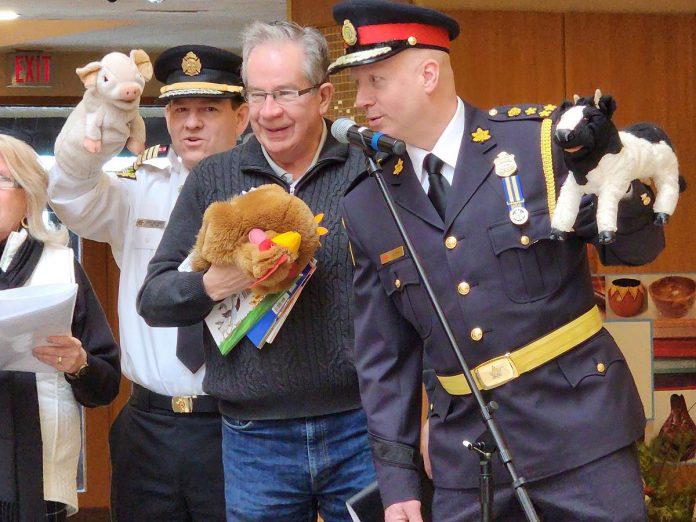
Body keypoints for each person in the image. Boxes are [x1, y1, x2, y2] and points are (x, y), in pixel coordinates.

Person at [330, 1, 666, 521]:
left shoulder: (539, 142)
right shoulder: (368, 202)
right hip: (466, 461)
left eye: (375, 80)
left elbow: (639, 251)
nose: (362, 101)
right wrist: (398, 484)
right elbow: (383, 357)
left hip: (580, 438)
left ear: (428, 73)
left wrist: (619, 185)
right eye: (358, 84)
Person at [137, 21, 376, 521]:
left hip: (362, 425)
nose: (270, 112)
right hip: (253, 439)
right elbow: (154, 298)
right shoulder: (213, 178)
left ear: (324, 95)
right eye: (259, 94)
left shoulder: (366, 172)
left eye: (286, 93)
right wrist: (216, 282)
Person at [47, 45, 249, 521]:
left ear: (241, 117)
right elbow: (68, 194)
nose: (191, 123)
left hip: (236, 422)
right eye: (180, 110)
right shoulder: (140, 185)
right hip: (148, 424)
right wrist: (95, 125)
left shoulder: (265, 191)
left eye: (208, 110)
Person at [0, 133, 120, 522]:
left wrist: (78, 363)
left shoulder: (60, 267)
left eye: (2, 180)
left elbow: (105, 385)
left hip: (38, 474)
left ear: (29, 195)